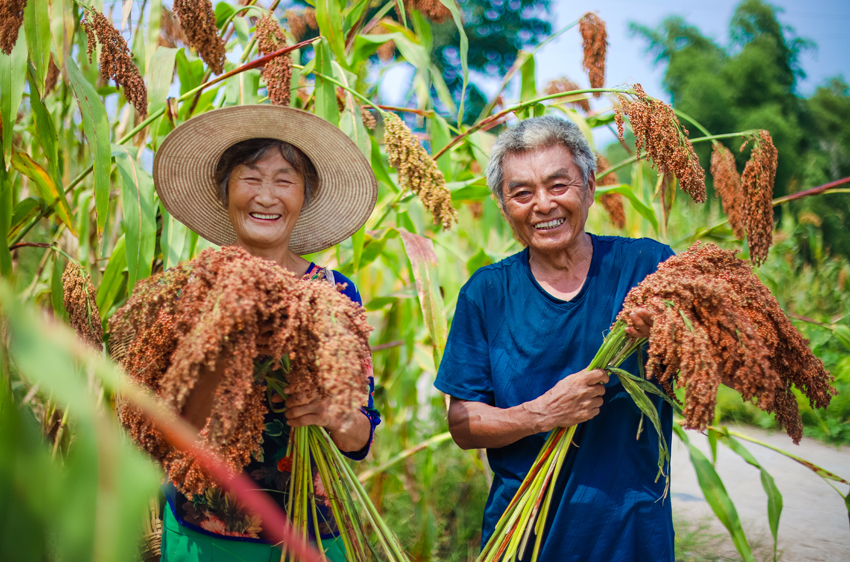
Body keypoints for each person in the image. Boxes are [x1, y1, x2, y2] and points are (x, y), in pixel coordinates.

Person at [434, 115, 675, 561]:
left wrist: (669, 339)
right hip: (523, 536)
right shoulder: (486, 293)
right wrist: (541, 414)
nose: (543, 205)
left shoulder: (648, 268)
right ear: (504, 207)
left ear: (590, 185)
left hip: (630, 536)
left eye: (558, 185)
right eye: (521, 193)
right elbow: (463, 424)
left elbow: (714, 367)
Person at [152, 105, 381, 562]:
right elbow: (162, 427)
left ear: (304, 196)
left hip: (308, 537)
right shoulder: (191, 288)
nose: (266, 196)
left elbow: (361, 438)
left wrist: (332, 413)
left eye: (284, 180)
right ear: (225, 192)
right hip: (204, 534)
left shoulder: (334, 293)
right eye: (250, 178)